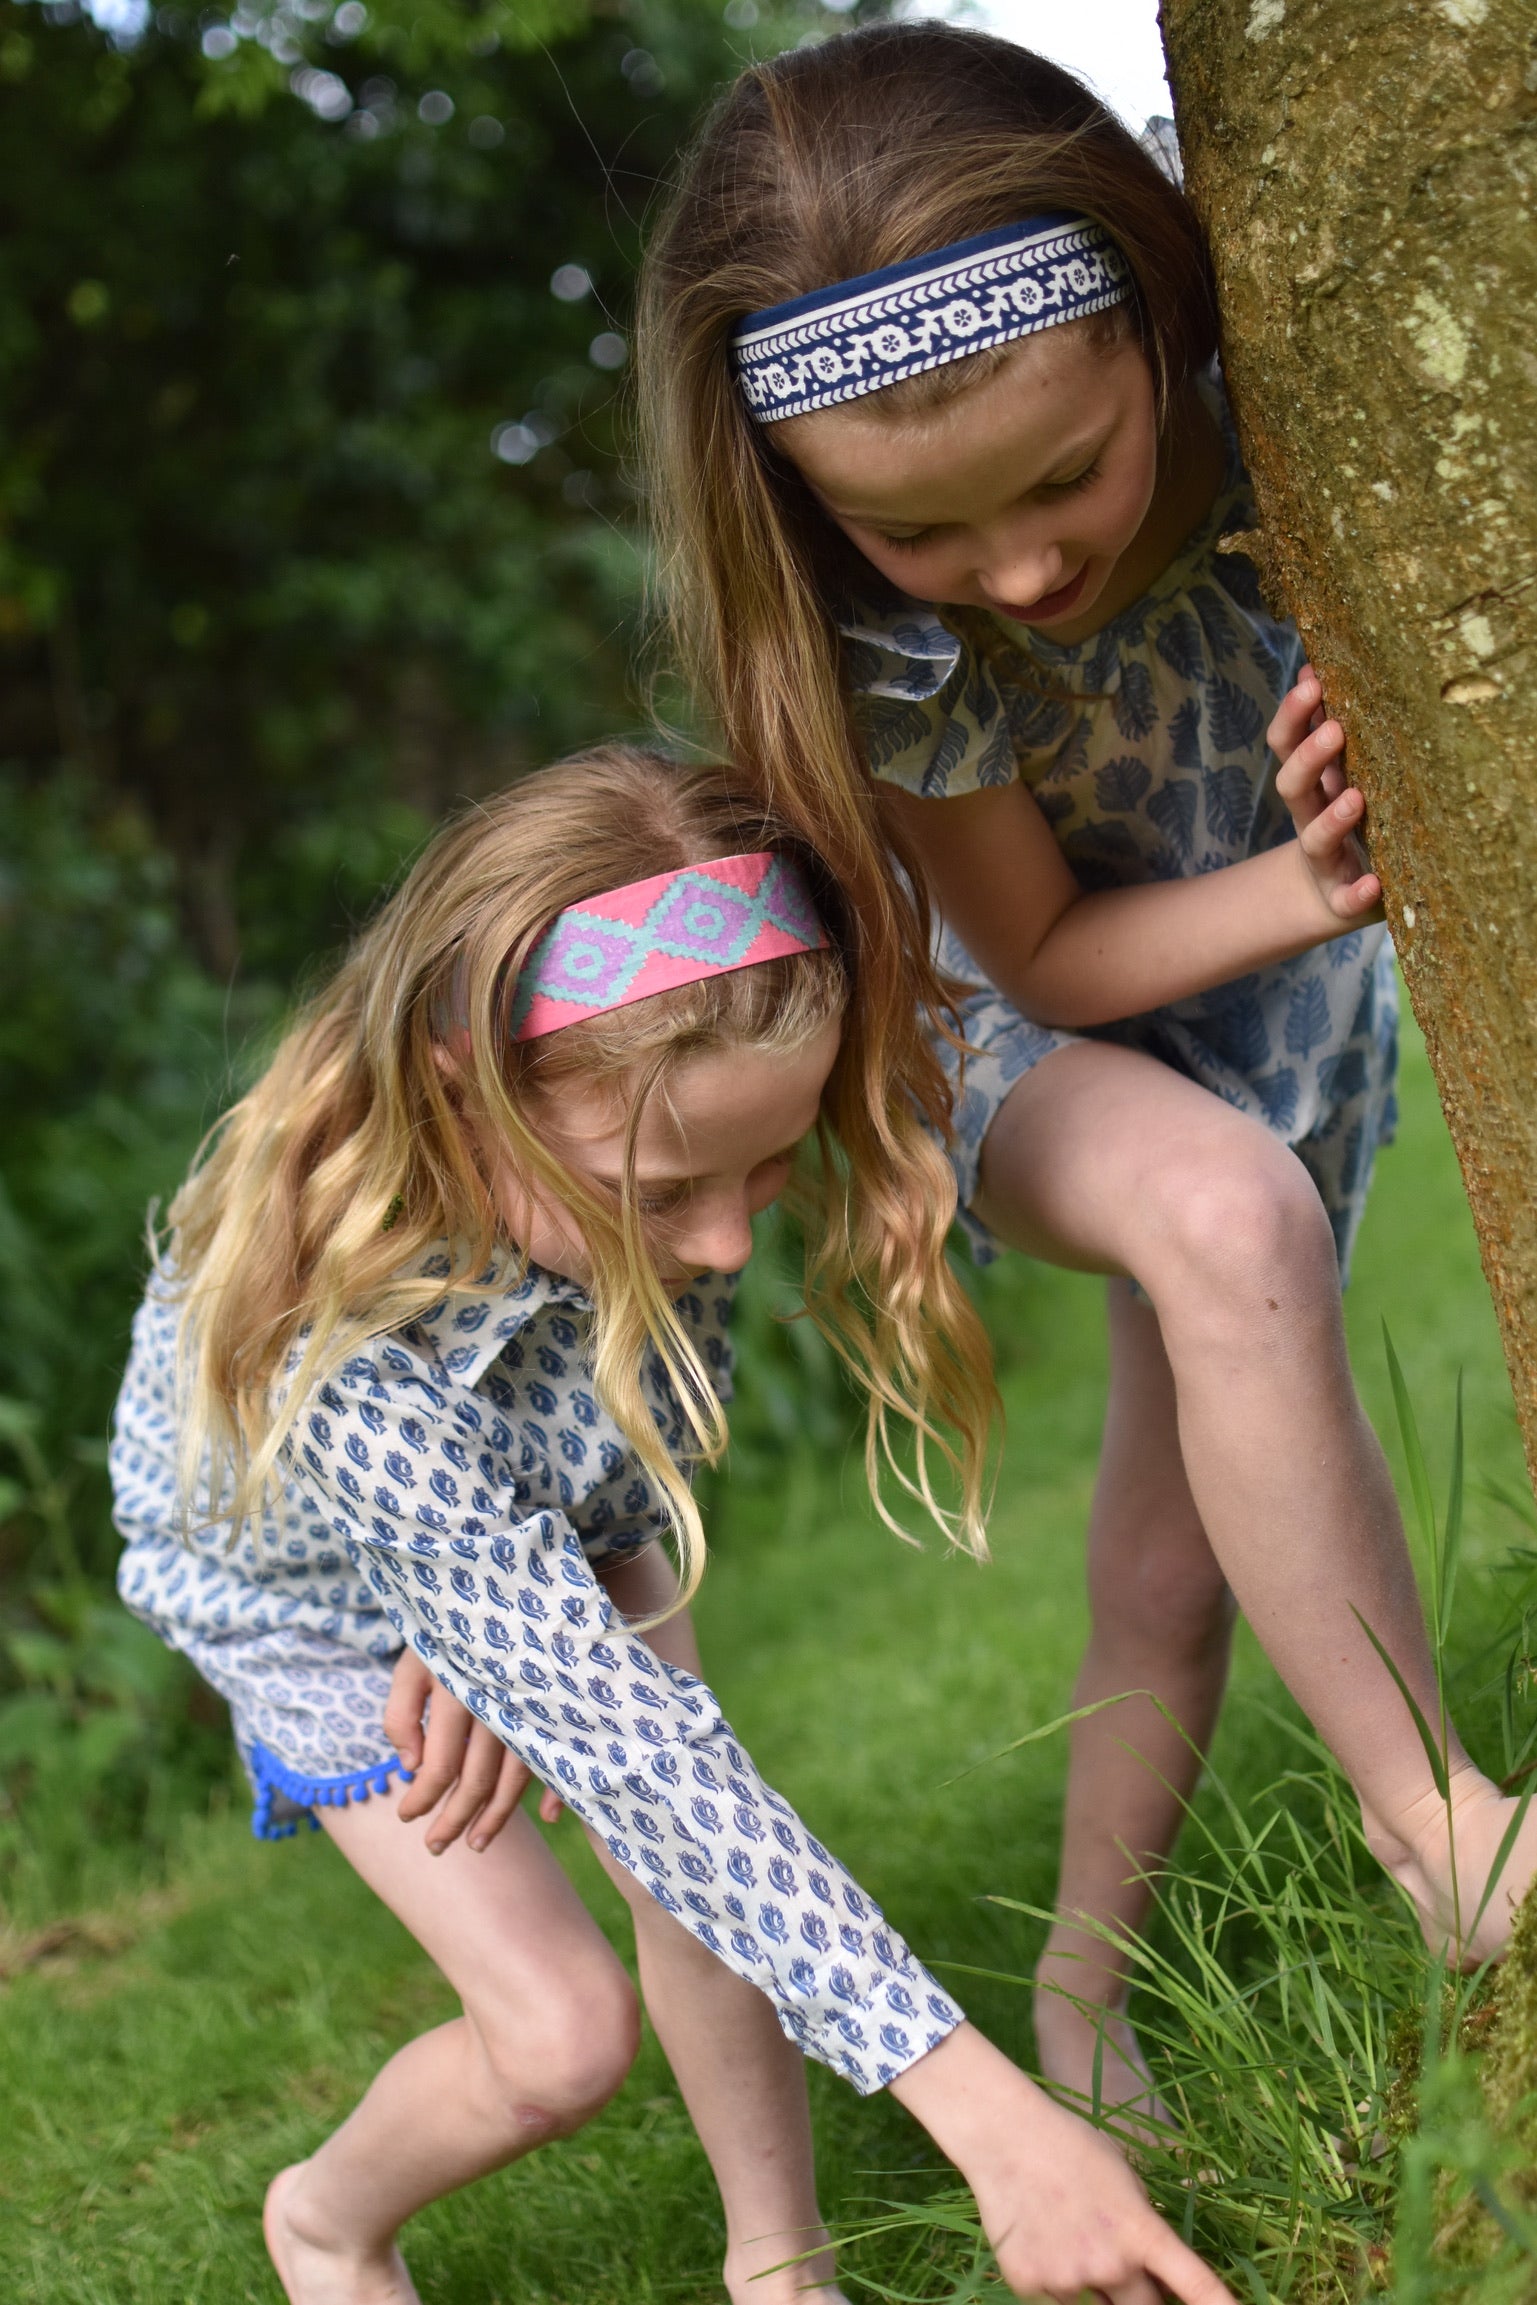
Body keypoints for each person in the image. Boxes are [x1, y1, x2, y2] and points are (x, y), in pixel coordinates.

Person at [636, 19, 1537, 2130]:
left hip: (1278, 1034)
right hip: (1025, 1041)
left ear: (1148, 308)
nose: (1023, 570)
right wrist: (1316, 888)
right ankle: (1445, 1837)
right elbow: (1034, 946)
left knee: (1173, 1557)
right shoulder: (894, 653)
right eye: (924, 533)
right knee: (1222, 1214)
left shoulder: (1300, 404)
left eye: (1062, 477)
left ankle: (1079, 1986)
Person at [110, 746, 1234, 2305]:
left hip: (541, 1528)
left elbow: (673, 1786)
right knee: (561, 2039)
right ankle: (323, 2217)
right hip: (315, 1601)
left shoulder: (623, 1159)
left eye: (766, 1163)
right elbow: (645, 1767)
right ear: (465, 1092)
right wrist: (998, 2129)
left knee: (688, 1860)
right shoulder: (349, 1366)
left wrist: (512, 1634)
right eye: (663, 1189)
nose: (720, 1241)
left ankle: (778, 2266)